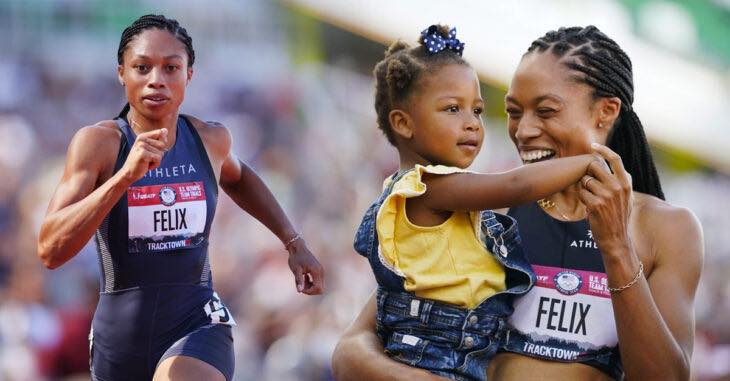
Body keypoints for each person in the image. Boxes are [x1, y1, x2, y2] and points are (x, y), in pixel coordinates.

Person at [333, 25, 703, 381]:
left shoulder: (666, 229)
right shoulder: (486, 207)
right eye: (513, 112)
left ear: (605, 111)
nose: (523, 131)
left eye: (545, 111)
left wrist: (617, 247)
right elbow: (353, 347)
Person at [36, 14, 325, 381]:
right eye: (142, 67)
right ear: (121, 73)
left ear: (189, 75)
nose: (157, 79)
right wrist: (125, 177)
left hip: (197, 322)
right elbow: (50, 249)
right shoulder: (99, 144)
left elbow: (239, 177)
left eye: (171, 67)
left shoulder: (209, 139)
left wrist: (293, 241)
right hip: (121, 340)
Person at [351, 24, 608, 380]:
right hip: (432, 353)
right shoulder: (428, 187)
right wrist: (588, 162)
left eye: (477, 110)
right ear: (403, 123)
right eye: (453, 109)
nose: (472, 123)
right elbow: (515, 185)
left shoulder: (427, 193)